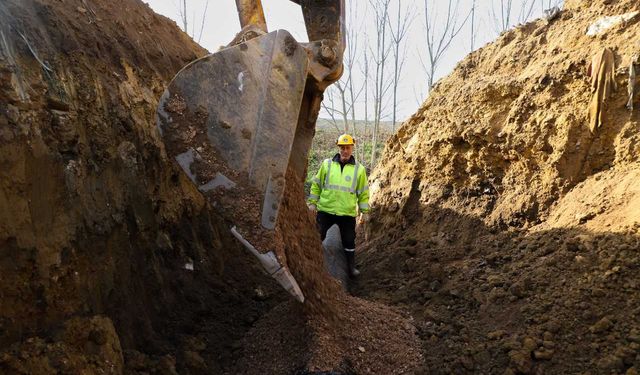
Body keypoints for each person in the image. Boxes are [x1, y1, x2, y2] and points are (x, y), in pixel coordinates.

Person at [307, 133, 370, 277]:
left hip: (346, 213)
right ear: (338, 148)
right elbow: (316, 185)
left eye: (348, 148)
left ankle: (350, 268)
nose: (345, 151)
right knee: (316, 236)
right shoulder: (327, 165)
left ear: (352, 148)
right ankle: (312, 263)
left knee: (349, 241)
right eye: (342, 148)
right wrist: (312, 203)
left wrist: (364, 211)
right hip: (326, 210)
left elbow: (363, 193)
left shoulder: (359, 170)